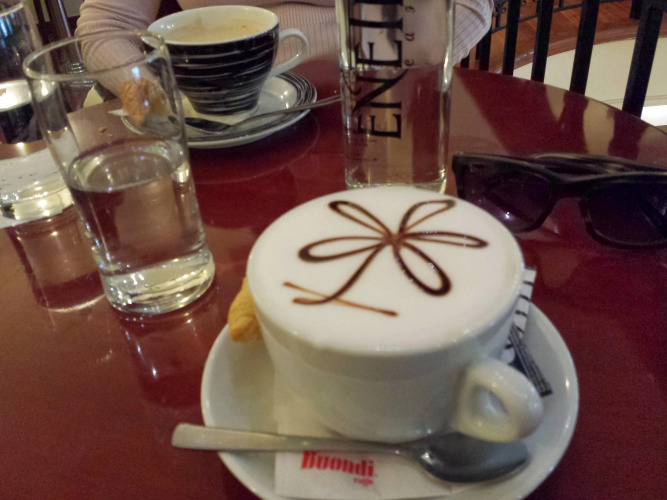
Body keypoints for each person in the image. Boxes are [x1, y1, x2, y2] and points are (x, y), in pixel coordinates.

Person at [75, 0, 493, 65]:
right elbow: (105, 25)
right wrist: (151, 95)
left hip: (374, 105)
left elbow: (466, 9)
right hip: (203, 126)